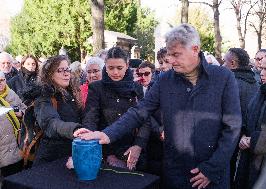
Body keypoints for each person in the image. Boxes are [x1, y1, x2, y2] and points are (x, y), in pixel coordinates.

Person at [75, 24, 242, 189]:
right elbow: (140, 111)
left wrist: (212, 168)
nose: (170, 60)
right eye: (169, 55)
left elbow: (232, 127)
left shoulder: (223, 77)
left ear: (195, 49)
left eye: (176, 54)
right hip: (175, 172)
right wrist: (107, 134)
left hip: (211, 173)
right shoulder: (164, 80)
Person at [82, 47, 150, 171]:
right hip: (104, 148)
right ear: (105, 66)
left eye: (119, 68)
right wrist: (105, 152)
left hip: (132, 149)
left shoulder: (136, 88)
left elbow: (145, 119)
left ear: (127, 65)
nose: (115, 73)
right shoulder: (96, 88)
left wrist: (138, 145)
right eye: (110, 68)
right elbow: (90, 120)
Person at [32, 55, 87, 166]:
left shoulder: (73, 93)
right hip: (50, 159)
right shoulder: (44, 96)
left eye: (67, 69)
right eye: (60, 70)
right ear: (50, 75)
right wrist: (74, 129)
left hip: (70, 155)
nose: (66, 73)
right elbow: (50, 123)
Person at [235, 52, 266, 189]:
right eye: (261, 68)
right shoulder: (261, 92)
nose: (262, 73)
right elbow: (248, 118)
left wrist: (253, 140)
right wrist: (243, 135)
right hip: (249, 160)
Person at [223, 48, 259, 188]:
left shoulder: (231, 83)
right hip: (246, 137)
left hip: (231, 136)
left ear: (232, 63)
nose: (222, 65)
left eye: (225, 62)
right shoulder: (255, 83)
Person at [0, 71, 27, 177]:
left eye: (2, 80)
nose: (0, 83)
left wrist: (21, 113)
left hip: (15, 149)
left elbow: (24, 109)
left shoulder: (11, 93)